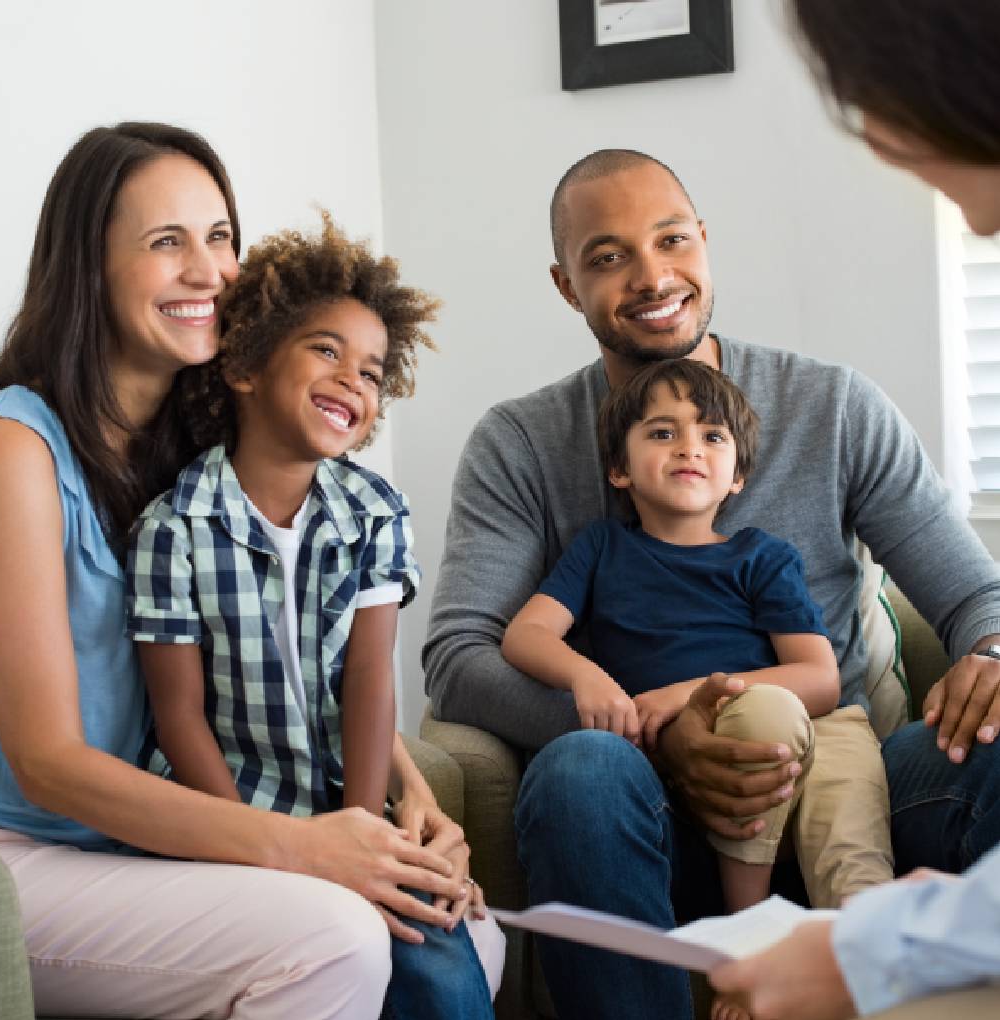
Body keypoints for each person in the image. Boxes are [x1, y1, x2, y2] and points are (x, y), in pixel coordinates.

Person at [0, 121, 492, 1020]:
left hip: (144, 845)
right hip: (0, 853)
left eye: (219, 237)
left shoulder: (205, 450)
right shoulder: (14, 450)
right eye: (165, 242)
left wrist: (405, 814)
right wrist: (300, 850)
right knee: (332, 936)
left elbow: (303, 673)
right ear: (88, 267)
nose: (210, 271)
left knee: (462, 930)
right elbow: (46, 764)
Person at [423, 146, 1000, 1020]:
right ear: (565, 284)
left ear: (705, 242)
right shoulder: (522, 443)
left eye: (672, 240)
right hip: (634, 807)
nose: (653, 277)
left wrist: (991, 655)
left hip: (836, 775)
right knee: (583, 771)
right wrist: (656, 735)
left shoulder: (834, 407)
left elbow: (973, 599)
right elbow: (461, 655)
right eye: (608, 257)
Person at [126, 212, 503, 1017]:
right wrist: (252, 849)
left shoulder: (375, 512)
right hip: (220, 820)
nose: (351, 382)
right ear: (247, 365)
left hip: (344, 808)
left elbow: (370, 680)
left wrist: (364, 834)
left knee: (431, 933)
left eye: (371, 371)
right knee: (388, 940)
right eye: (326, 351)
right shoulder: (173, 529)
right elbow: (179, 716)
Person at [705, 3, 1000, 1017]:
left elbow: (968, 599)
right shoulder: (542, 463)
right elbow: (481, 652)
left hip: (829, 727)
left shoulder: (826, 409)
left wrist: (886, 944)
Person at [501, 359, 890, 928]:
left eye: (712, 435)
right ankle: (748, 935)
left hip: (810, 734)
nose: (689, 448)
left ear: (737, 477)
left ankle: (865, 963)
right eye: (663, 433)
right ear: (619, 469)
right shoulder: (602, 548)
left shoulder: (763, 556)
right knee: (759, 718)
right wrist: (586, 676)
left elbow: (819, 678)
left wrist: (684, 693)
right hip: (696, 764)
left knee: (853, 849)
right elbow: (526, 634)